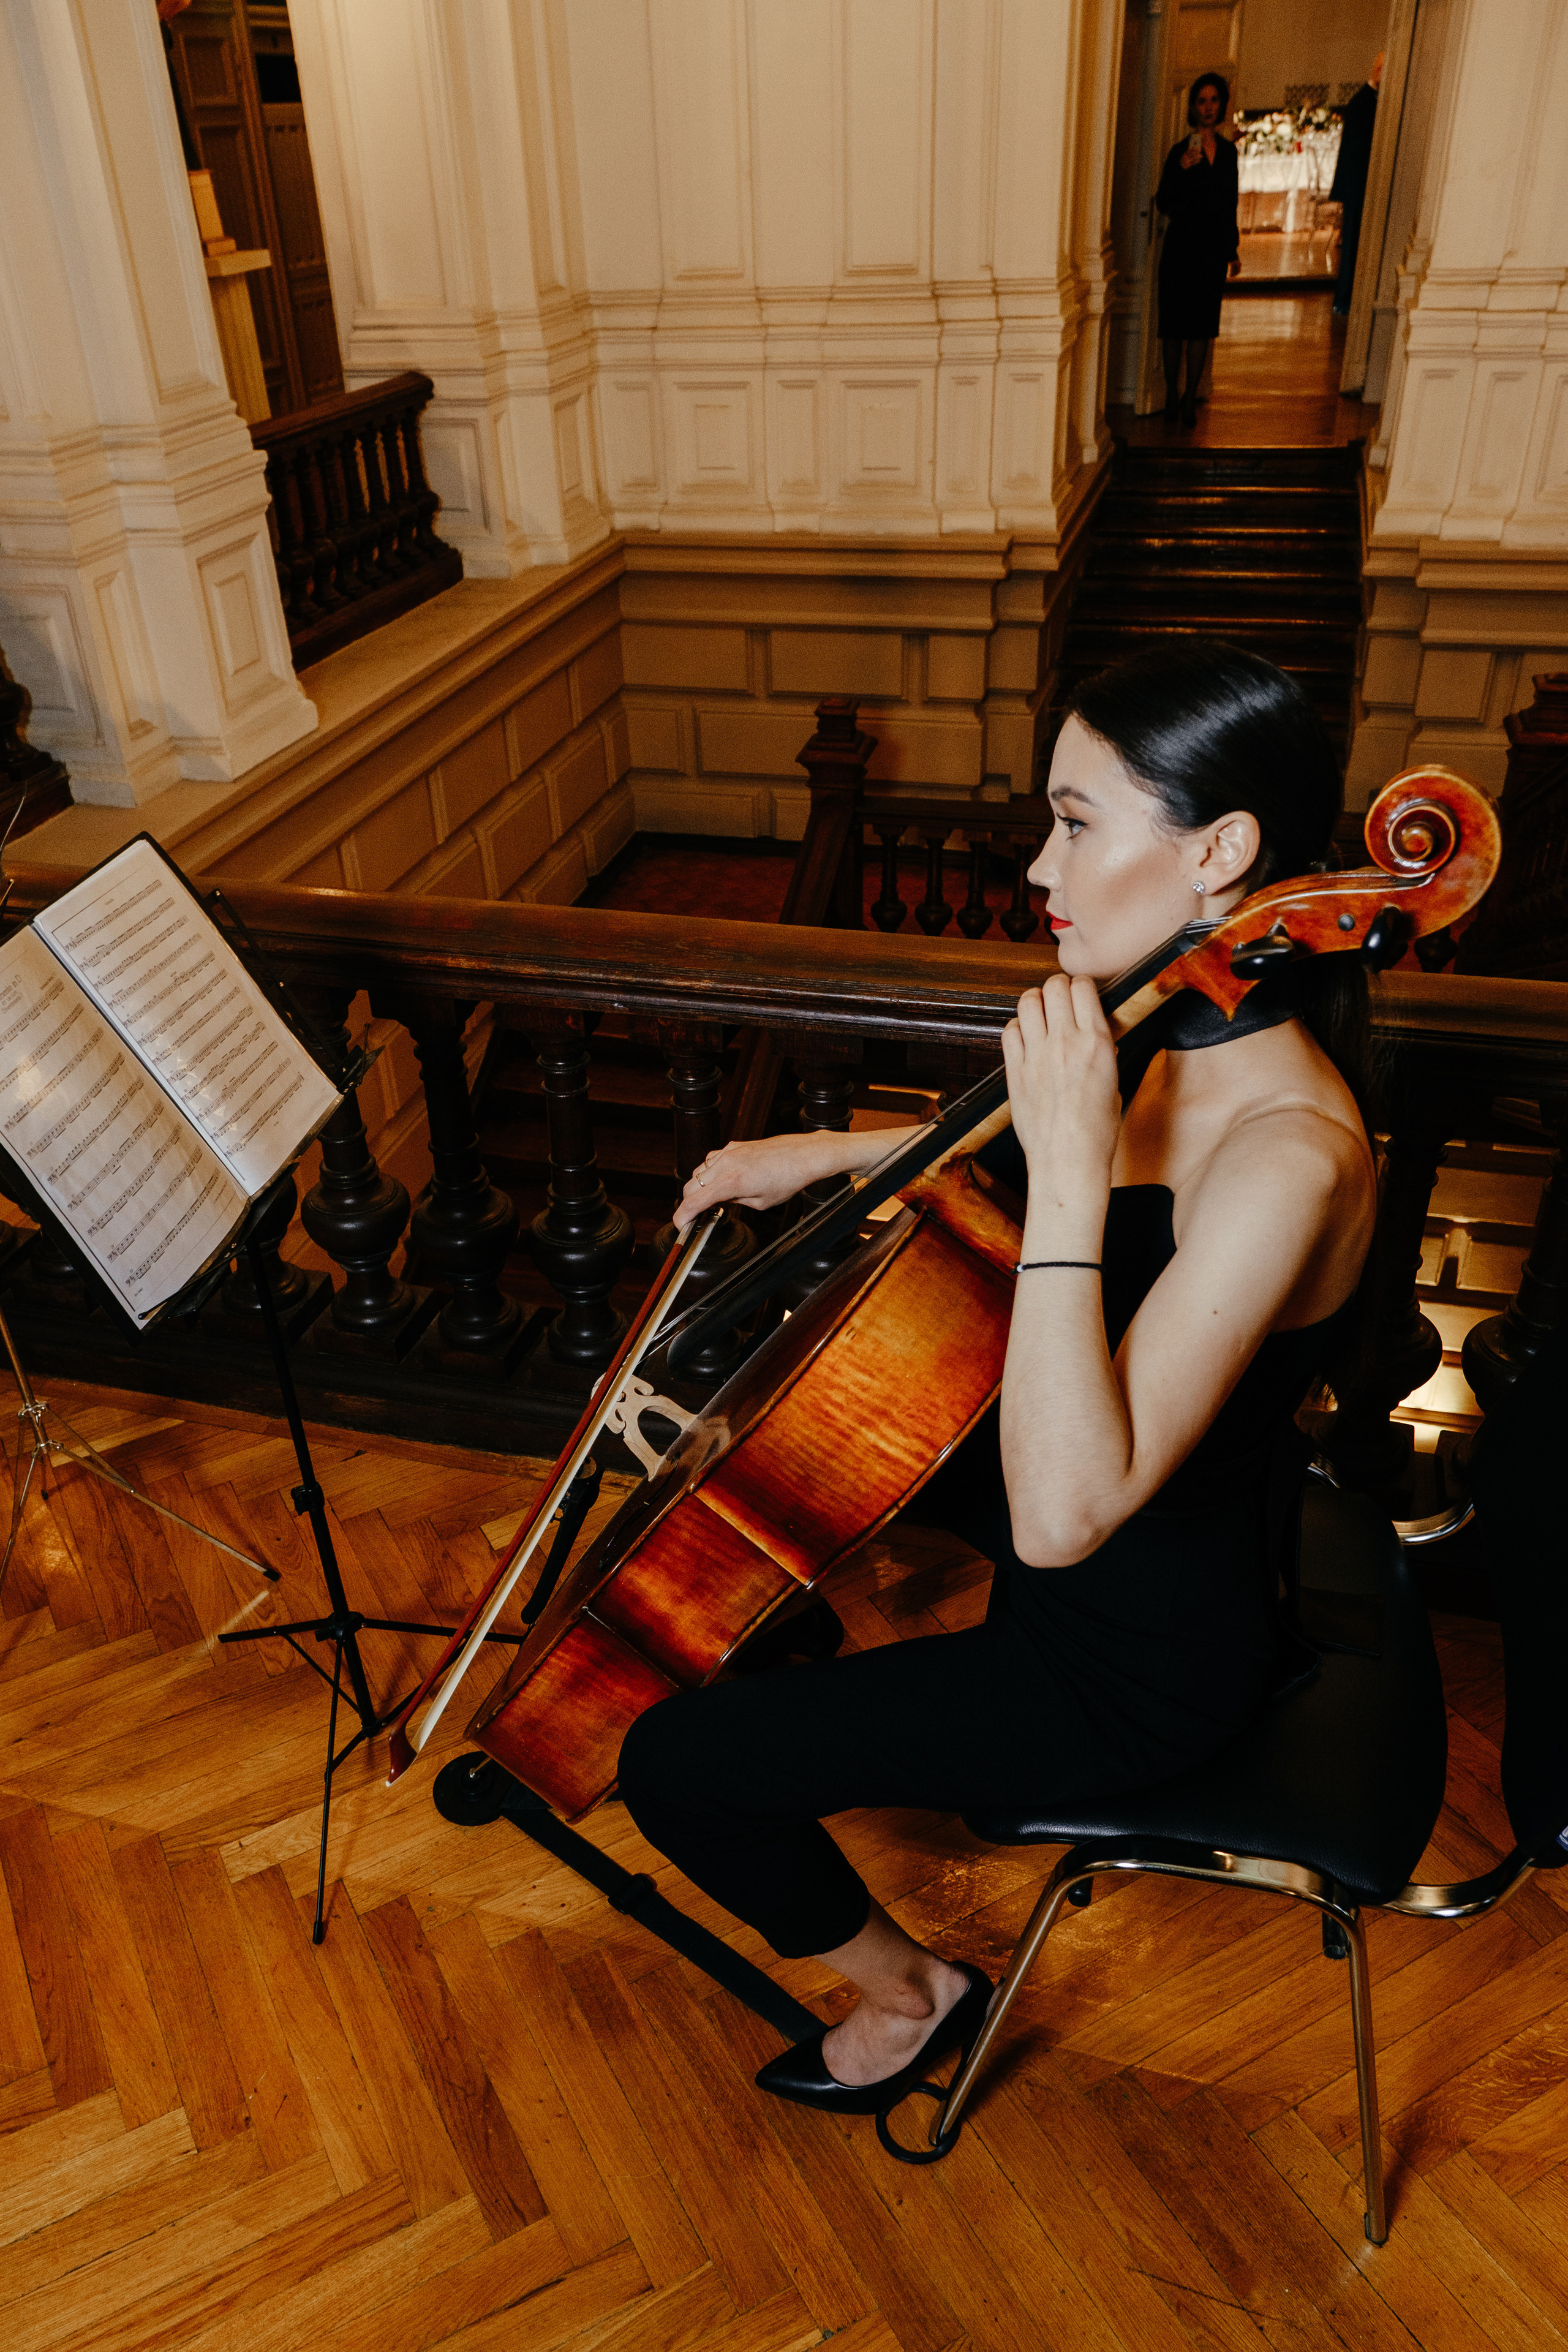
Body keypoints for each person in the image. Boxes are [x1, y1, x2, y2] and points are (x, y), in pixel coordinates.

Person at [616, 640, 1377, 2119]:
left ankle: (908, 1992)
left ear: (1219, 853)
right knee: (786, 1468)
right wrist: (821, 1156)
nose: (1039, 864)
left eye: (1076, 823)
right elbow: (1024, 1148)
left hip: (1134, 1659)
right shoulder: (1165, 1019)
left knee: (675, 1765)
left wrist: (1077, 1172)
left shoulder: (1286, 1155)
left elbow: (1060, 1514)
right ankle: (782, 1646)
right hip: (1131, 1533)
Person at [1154, 73, 1242, 427]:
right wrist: (1180, 170)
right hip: (1180, 249)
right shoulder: (1180, 152)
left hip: (1211, 251)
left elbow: (1230, 202)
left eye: (1214, 100)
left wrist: (1232, 249)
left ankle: (1190, 397)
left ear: (1222, 106)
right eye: (1202, 101)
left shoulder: (1229, 153)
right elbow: (1163, 202)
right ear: (1193, 107)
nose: (1208, 108)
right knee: (1174, 327)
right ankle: (1170, 395)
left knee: (1202, 328)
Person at [1330, 54, 1384, 317]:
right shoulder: (1363, 102)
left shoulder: (1367, 100)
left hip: (1359, 185)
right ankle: (1344, 300)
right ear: (1379, 71)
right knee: (1351, 246)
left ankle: (1349, 297)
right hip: (1358, 186)